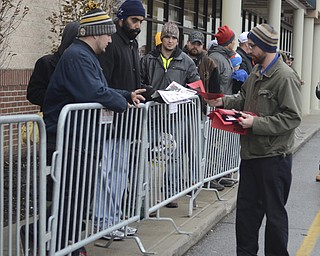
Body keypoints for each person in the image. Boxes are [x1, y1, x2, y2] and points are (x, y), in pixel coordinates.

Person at [42, 2, 145, 254]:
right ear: (95, 33)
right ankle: (46, 238)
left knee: (78, 199)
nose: (110, 40)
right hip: (70, 138)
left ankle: (69, 245)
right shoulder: (77, 56)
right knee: (71, 198)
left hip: (82, 137)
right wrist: (122, 102)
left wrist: (126, 94)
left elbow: (103, 89)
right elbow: (94, 92)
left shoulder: (86, 55)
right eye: (108, 34)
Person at [206, 23, 302, 256]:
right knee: (247, 218)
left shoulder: (285, 77)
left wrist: (255, 124)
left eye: (251, 46)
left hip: (274, 159)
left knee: (275, 217)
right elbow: (243, 98)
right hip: (251, 156)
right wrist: (222, 102)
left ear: (265, 47)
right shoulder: (256, 73)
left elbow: (293, 117)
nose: (247, 50)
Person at [96, 0, 153, 240]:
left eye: (140, 21)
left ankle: (114, 218)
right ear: (121, 19)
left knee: (119, 172)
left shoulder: (132, 44)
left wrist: (152, 92)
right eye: (134, 20)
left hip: (126, 121)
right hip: (110, 120)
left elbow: (135, 79)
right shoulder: (112, 43)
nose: (138, 25)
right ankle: (103, 221)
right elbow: (104, 82)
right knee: (107, 172)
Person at [141, 22, 200, 208]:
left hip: (177, 115)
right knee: (150, 154)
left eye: (174, 38)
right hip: (153, 114)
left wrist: (184, 92)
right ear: (162, 38)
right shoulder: (148, 59)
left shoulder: (186, 60)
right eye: (167, 37)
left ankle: (171, 192)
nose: (170, 41)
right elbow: (140, 82)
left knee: (174, 154)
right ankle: (146, 195)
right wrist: (152, 93)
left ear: (178, 40)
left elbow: (196, 85)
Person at [184, 31, 224, 191]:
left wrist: (214, 105)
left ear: (203, 46)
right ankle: (179, 182)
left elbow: (215, 89)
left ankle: (196, 180)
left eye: (198, 44)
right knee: (178, 151)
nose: (195, 47)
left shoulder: (209, 63)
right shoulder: (181, 59)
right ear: (188, 43)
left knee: (198, 149)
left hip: (200, 111)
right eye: (193, 43)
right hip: (180, 111)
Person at [27, 21, 80, 111]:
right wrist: (60, 98)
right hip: (53, 116)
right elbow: (33, 93)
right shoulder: (46, 63)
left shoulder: (84, 65)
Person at [208, 25, 236, 95]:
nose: (234, 42)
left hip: (225, 102)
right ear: (229, 42)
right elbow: (212, 86)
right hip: (218, 103)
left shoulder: (225, 56)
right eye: (233, 40)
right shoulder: (216, 59)